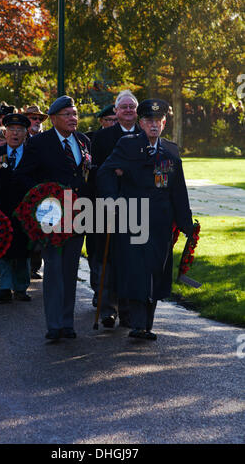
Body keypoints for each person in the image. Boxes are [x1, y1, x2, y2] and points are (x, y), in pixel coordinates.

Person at [96, 98, 193, 340]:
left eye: (158, 121)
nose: (153, 125)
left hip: (161, 223)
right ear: (141, 123)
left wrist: (186, 223)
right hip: (133, 219)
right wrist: (114, 199)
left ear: (164, 123)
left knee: (155, 272)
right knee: (137, 271)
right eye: (149, 120)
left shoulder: (170, 150)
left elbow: (178, 190)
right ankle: (139, 325)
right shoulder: (127, 145)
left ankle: (146, 324)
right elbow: (105, 171)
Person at [13, 95, 91, 341]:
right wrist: (44, 195)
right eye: (67, 114)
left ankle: (68, 323)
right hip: (51, 217)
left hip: (78, 217)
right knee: (54, 270)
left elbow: (87, 176)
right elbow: (22, 175)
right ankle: (54, 325)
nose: (73, 118)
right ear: (54, 118)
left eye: (75, 113)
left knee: (70, 271)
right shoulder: (39, 143)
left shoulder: (84, 141)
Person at [91, 90, 141, 328]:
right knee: (107, 260)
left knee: (131, 262)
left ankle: (128, 310)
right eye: (124, 107)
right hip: (107, 207)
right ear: (116, 111)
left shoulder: (146, 135)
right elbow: (99, 171)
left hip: (137, 208)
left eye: (132, 106)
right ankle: (107, 310)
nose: (129, 110)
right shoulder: (102, 138)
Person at [0, 113, 32, 303]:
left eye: (20, 130)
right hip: (1, 209)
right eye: (12, 130)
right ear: (5, 133)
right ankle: (4, 287)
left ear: (25, 133)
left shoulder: (33, 154)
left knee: (23, 250)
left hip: (25, 211)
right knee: (2, 248)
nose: (15, 134)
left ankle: (21, 287)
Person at [23, 105, 48, 280]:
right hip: (25, 190)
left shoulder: (47, 140)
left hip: (44, 192)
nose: (37, 122)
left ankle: (34, 266)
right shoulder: (20, 139)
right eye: (33, 118)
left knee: (41, 232)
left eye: (39, 119)